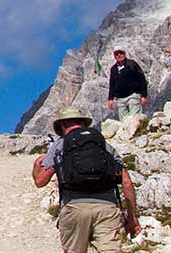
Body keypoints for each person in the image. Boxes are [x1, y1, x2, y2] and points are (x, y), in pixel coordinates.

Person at [33, 106, 141, 253]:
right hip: (107, 209)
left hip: (74, 208)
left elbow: (40, 181)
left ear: (62, 125)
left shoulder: (60, 145)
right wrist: (132, 217)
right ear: (83, 123)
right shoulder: (103, 144)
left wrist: (36, 165)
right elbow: (127, 182)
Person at [107, 49, 149, 120]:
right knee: (124, 121)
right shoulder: (113, 69)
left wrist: (144, 95)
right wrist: (110, 99)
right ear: (114, 56)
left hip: (133, 95)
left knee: (136, 119)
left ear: (125, 54)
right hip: (120, 98)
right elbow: (112, 84)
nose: (119, 55)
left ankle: (138, 130)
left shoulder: (132, 64)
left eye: (121, 53)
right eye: (117, 54)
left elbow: (142, 78)